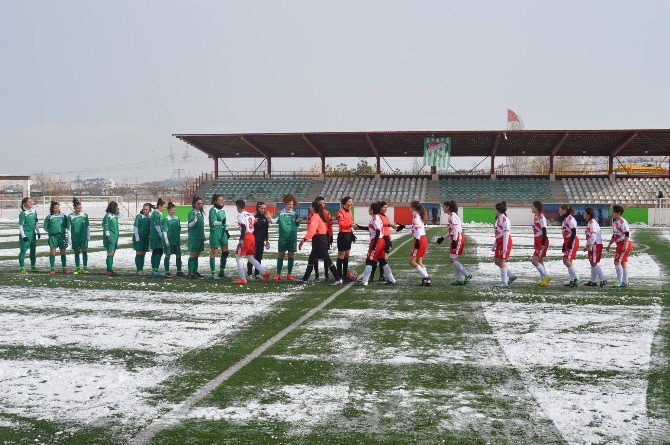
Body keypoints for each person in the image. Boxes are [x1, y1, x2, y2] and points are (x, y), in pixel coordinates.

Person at [298, 200, 343, 285]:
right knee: (311, 259)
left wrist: (303, 240)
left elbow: (312, 230)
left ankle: (338, 279)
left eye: (310, 206)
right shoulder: (320, 216)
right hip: (320, 239)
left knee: (327, 260)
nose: (309, 207)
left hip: (319, 240)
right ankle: (304, 278)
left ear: (313, 208)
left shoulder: (315, 216)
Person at [356, 202, 396, 286]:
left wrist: (374, 245)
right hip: (380, 241)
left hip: (377, 241)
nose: (368, 210)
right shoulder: (376, 218)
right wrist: (359, 227)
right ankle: (392, 279)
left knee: (369, 260)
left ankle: (365, 281)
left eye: (369, 208)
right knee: (382, 260)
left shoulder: (376, 218)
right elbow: (373, 229)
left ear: (372, 210)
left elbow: (377, 231)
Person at [233, 199, 270, 284]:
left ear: (238, 207)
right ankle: (264, 272)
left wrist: (241, 240)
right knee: (250, 257)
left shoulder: (240, 216)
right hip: (252, 237)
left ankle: (242, 278)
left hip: (246, 237)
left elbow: (243, 228)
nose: (236, 209)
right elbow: (256, 221)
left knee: (238, 256)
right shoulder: (250, 214)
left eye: (236, 207)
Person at [437, 200, 471, 285]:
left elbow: (456, 230)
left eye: (444, 206)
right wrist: (443, 238)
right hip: (456, 237)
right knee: (453, 259)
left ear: (448, 207)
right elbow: (453, 231)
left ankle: (467, 274)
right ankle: (459, 279)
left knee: (452, 259)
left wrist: (455, 241)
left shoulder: (452, 216)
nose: (443, 208)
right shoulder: (452, 216)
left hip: (457, 238)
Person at [272, 194, 301, 281]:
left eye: (292, 204)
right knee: (281, 255)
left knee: (291, 255)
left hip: (292, 238)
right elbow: (273, 221)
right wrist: (270, 218)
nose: (290, 206)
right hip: (283, 238)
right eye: (289, 204)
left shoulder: (295, 214)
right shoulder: (280, 213)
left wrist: (298, 222)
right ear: (285, 204)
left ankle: (289, 274)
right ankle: (278, 274)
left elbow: (297, 225)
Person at [606, 204, 633, 287]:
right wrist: (609, 245)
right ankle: (625, 282)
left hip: (624, 244)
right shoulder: (615, 222)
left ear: (619, 213)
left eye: (614, 212)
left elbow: (627, 234)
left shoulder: (623, 222)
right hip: (620, 244)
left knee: (617, 261)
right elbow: (614, 235)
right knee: (623, 262)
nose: (612, 213)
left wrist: (625, 246)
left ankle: (620, 282)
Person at [493, 201, 516, 287]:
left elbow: (506, 234)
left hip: (504, 242)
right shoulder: (499, 218)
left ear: (498, 210)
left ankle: (504, 282)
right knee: (496, 261)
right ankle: (511, 276)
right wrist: (494, 245)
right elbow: (499, 233)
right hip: (500, 242)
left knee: (501, 261)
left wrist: (505, 247)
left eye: (495, 209)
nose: (494, 211)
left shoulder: (504, 219)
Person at [408, 200, 431, 286]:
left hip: (419, 239)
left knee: (411, 261)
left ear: (413, 207)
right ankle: (427, 278)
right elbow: (416, 226)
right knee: (419, 261)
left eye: (410, 206)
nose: (409, 208)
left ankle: (426, 277)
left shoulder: (415, 214)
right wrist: (403, 226)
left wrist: (417, 240)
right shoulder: (418, 214)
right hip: (423, 238)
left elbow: (417, 228)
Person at [44, 200, 69, 275]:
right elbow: (45, 227)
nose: (57, 209)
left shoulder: (63, 216)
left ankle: (64, 268)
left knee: (63, 252)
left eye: (58, 208)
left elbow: (67, 225)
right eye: (55, 208)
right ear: (52, 208)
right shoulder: (49, 217)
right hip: (53, 237)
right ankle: (52, 268)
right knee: (52, 252)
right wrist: (51, 231)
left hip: (62, 236)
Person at [583, 207, 607, 287]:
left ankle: (603, 280)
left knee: (593, 263)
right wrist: (587, 245)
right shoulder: (590, 222)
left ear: (588, 214)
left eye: (585, 213)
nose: (583, 214)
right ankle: (593, 281)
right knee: (592, 263)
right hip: (594, 244)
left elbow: (594, 235)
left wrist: (591, 245)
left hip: (596, 245)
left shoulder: (592, 223)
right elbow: (589, 236)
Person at [559, 204, 581, 287]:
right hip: (568, 241)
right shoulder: (566, 219)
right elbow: (566, 232)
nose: (559, 211)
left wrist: (570, 243)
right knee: (569, 260)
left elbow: (573, 231)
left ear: (565, 210)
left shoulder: (570, 218)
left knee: (566, 260)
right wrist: (564, 244)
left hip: (572, 240)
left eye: (560, 209)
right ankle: (572, 280)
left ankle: (577, 278)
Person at [247, 201, 270, 279]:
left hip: (261, 241)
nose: (263, 210)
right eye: (261, 208)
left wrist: (267, 241)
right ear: (258, 208)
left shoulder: (265, 218)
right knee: (251, 257)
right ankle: (249, 274)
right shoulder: (253, 217)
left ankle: (257, 273)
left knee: (259, 257)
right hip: (253, 240)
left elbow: (266, 231)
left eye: (264, 208)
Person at [313, 196, 333, 280]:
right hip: (315, 237)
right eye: (320, 203)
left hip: (325, 237)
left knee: (325, 256)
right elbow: (310, 225)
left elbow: (330, 226)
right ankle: (316, 275)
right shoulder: (313, 213)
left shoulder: (327, 213)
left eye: (323, 203)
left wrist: (331, 236)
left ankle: (326, 274)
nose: (322, 205)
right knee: (314, 257)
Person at [209, 193, 229, 279]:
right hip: (215, 233)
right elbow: (213, 222)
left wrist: (226, 231)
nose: (222, 202)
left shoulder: (222, 211)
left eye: (222, 200)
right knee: (214, 252)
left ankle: (222, 272)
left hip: (223, 233)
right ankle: (213, 274)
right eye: (220, 200)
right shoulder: (212, 210)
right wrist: (221, 223)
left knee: (225, 252)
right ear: (215, 201)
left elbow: (224, 223)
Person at [18, 197, 40, 274]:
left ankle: (33, 266)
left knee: (33, 250)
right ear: (25, 204)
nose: (31, 203)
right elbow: (20, 226)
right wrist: (23, 236)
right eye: (29, 202)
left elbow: (36, 223)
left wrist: (38, 231)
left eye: (32, 202)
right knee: (23, 250)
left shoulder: (34, 212)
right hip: (25, 233)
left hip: (32, 234)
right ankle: (22, 268)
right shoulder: (23, 213)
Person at [68, 198, 90, 275]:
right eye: (77, 208)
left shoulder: (85, 215)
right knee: (76, 253)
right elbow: (69, 228)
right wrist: (69, 239)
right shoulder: (70, 216)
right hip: (75, 238)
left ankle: (84, 267)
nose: (79, 209)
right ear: (74, 208)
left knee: (84, 252)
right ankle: (77, 268)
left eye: (80, 208)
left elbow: (87, 227)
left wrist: (88, 236)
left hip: (83, 238)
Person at [531, 201, 550, 286]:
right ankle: (544, 280)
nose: (531, 208)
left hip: (542, 241)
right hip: (538, 241)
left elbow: (544, 231)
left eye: (532, 206)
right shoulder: (536, 217)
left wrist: (542, 244)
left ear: (537, 208)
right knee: (540, 261)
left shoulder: (541, 218)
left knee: (534, 261)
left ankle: (546, 277)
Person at [162, 202, 184, 278]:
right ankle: (167, 272)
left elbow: (178, 230)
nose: (173, 212)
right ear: (168, 210)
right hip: (169, 241)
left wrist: (179, 240)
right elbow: (164, 231)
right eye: (172, 210)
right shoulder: (166, 219)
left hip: (176, 241)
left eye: (174, 210)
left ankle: (179, 271)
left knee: (178, 255)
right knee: (168, 255)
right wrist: (166, 241)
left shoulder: (177, 218)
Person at [336, 196, 355, 281]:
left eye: (351, 201)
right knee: (341, 255)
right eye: (350, 201)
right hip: (343, 235)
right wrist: (350, 225)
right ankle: (339, 275)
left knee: (347, 254)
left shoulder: (350, 212)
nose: (351, 203)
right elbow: (341, 224)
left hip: (349, 235)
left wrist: (352, 231)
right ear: (345, 203)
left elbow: (351, 222)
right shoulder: (340, 212)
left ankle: (344, 275)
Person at [187, 196, 206, 279]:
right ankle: (190, 272)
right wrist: (194, 221)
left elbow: (201, 226)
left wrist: (204, 235)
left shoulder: (200, 212)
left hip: (200, 237)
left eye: (201, 203)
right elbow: (189, 225)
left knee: (197, 254)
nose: (200, 205)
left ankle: (195, 271)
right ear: (194, 204)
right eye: (198, 203)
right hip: (194, 237)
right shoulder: (192, 212)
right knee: (193, 254)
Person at [150, 198, 167, 277]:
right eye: (164, 207)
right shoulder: (157, 214)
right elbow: (157, 225)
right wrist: (161, 235)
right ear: (159, 206)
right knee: (158, 252)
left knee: (155, 252)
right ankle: (155, 270)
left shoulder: (155, 213)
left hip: (154, 236)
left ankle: (154, 269)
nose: (165, 209)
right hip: (157, 237)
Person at [102, 201, 120, 276]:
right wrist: (108, 236)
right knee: (110, 253)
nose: (117, 208)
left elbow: (122, 215)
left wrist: (118, 211)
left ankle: (109, 269)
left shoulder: (114, 216)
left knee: (112, 254)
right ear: (113, 208)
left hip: (115, 237)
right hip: (110, 237)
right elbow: (106, 227)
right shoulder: (107, 216)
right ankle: (109, 270)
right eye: (116, 207)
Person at [133, 203, 152, 274]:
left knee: (143, 253)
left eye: (146, 209)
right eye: (144, 209)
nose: (145, 210)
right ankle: (138, 270)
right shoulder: (139, 216)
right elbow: (135, 227)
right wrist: (137, 237)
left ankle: (141, 269)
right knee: (139, 253)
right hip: (139, 236)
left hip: (146, 237)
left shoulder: (150, 217)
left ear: (149, 210)